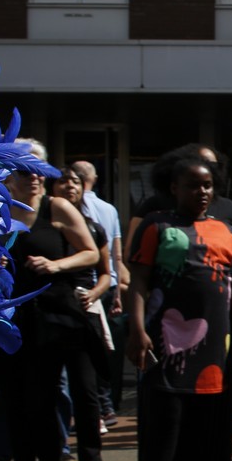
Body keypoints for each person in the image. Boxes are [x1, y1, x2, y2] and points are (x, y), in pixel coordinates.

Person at [127, 155, 232, 461]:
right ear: (174, 188)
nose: (202, 192)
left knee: (200, 422)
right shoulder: (156, 225)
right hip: (166, 337)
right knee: (165, 421)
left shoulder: (225, 230)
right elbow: (138, 281)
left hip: (214, 341)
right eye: (193, 185)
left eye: (207, 185)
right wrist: (136, 330)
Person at [0, 158, 104, 461]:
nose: (35, 179)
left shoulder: (56, 207)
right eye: (26, 172)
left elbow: (91, 252)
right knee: (14, 402)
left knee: (42, 402)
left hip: (50, 319)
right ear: (10, 177)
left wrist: (56, 265)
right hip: (7, 320)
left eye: (41, 172)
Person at [50, 161, 113, 461]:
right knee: (50, 391)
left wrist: (95, 293)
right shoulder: (42, 225)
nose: (69, 186)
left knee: (86, 390)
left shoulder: (94, 227)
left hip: (83, 313)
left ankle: (92, 460)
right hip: (48, 314)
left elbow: (105, 273)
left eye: (75, 181)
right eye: (63, 181)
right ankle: (52, 456)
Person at [73, 159, 128, 425]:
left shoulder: (69, 208)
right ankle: (109, 403)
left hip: (84, 285)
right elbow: (117, 253)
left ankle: (95, 406)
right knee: (106, 347)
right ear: (93, 179)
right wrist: (118, 290)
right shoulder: (109, 209)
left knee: (84, 350)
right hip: (108, 285)